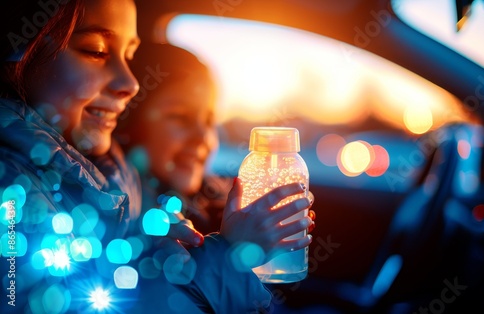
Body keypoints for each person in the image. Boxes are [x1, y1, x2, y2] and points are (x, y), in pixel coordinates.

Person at [0, 1, 314, 313]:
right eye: (96, 50)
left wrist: (151, 251)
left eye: (129, 57)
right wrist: (227, 255)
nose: (131, 83)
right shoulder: (13, 195)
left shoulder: (125, 192)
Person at [115, 42, 227, 235]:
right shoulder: (127, 223)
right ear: (130, 124)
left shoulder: (216, 201)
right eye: (180, 117)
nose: (202, 137)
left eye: (209, 121)